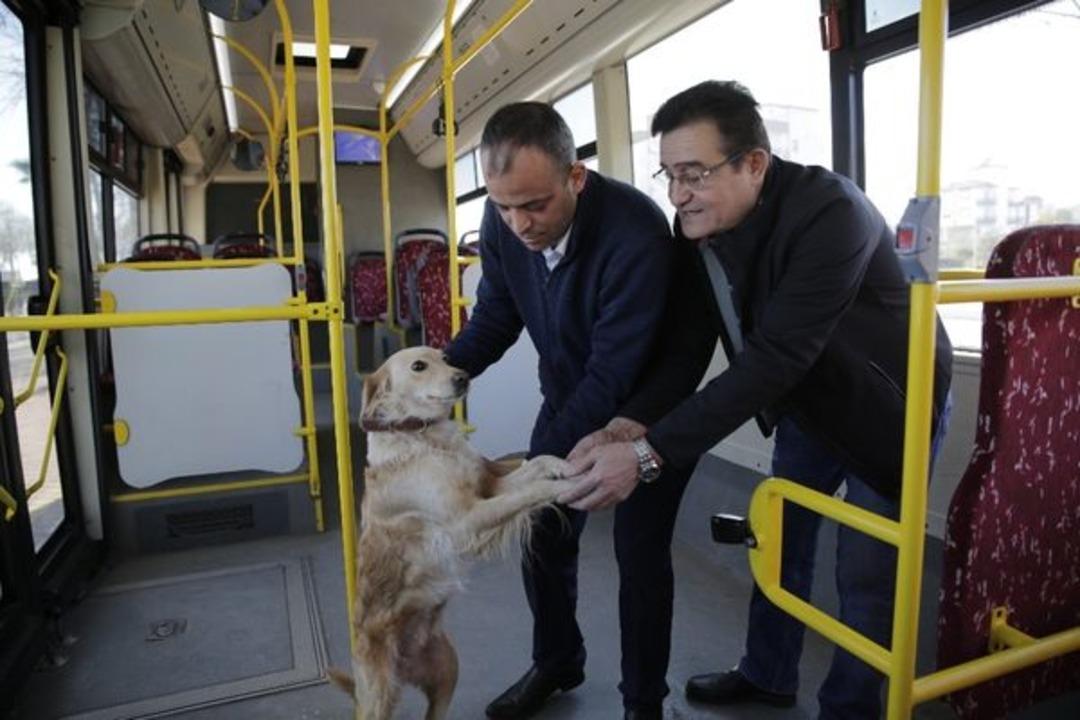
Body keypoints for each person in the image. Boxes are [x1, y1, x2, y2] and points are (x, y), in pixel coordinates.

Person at [560, 80, 954, 720]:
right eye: (670, 174)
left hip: (891, 409)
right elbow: (690, 343)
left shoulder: (833, 214)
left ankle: (849, 710)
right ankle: (768, 674)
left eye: (694, 173)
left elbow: (776, 358)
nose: (678, 192)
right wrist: (631, 424)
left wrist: (649, 456)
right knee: (778, 544)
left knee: (867, 577)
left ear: (754, 164)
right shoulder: (698, 229)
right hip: (807, 405)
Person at [444, 101, 711, 720]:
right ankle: (558, 661)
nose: (519, 223)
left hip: (645, 412)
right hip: (569, 396)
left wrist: (520, 472)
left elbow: (613, 375)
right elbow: (497, 315)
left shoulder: (634, 232)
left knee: (638, 555)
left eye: (535, 205)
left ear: (575, 177)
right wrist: (439, 380)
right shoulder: (502, 215)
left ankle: (643, 704)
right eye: (504, 205)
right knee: (543, 535)